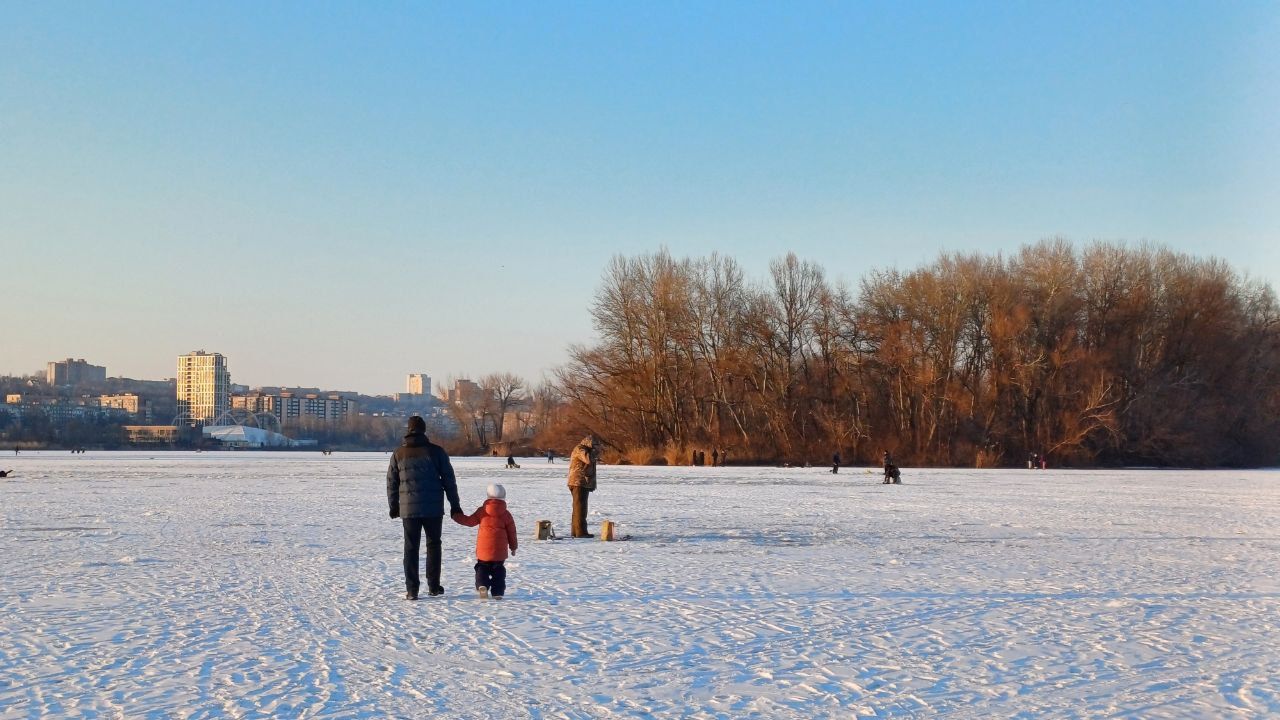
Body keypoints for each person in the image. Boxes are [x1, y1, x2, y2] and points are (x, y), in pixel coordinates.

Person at [387, 415, 463, 600]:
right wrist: (455, 506)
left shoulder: (398, 453)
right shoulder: (437, 452)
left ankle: (412, 590)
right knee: (434, 545)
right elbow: (449, 481)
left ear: (408, 430)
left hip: (408, 509)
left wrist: (394, 506)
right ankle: (434, 586)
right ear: (424, 429)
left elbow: (392, 482)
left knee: (411, 548)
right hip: (433, 508)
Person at [452, 483, 518, 599]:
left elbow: (469, 522)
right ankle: (497, 592)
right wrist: (513, 547)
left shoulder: (482, 511)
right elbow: (512, 532)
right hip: (500, 552)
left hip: (484, 551)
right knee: (499, 571)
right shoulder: (506, 515)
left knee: (482, 567)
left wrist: (456, 516)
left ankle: (482, 585)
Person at [567, 435, 597, 538]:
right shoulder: (580, 449)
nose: (596, 448)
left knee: (579, 508)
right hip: (578, 482)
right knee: (580, 508)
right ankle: (580, 532)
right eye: (595, 445)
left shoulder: (584, 449)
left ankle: (576, 532)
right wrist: (594, 452)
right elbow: (588, 459)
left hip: (581, 482)